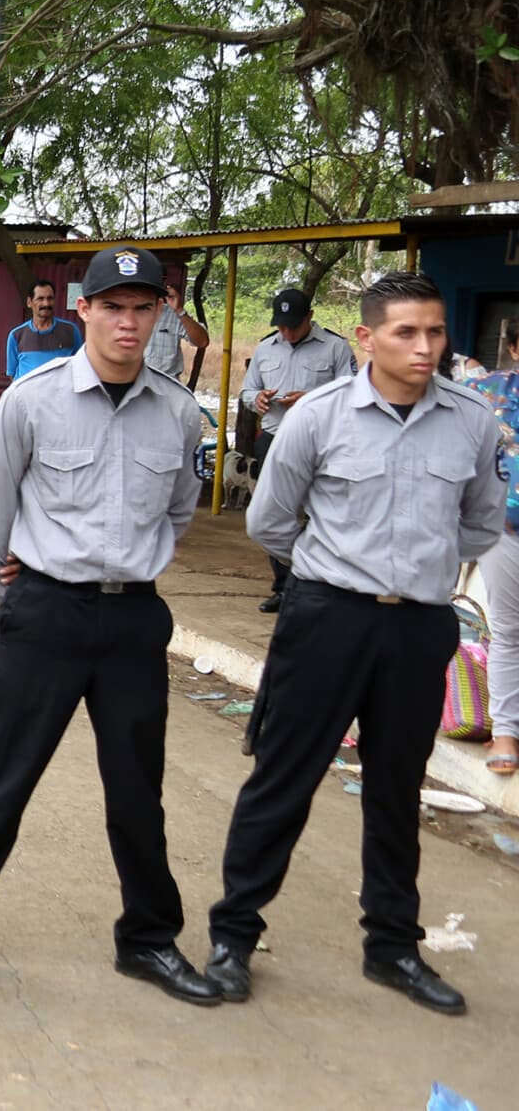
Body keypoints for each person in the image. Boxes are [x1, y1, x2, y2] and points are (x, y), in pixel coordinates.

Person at [0, 245, 220, 1005]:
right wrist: (15, 591)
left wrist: (130, 566)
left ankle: (148, 937)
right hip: (43, 611)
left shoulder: (178, 412)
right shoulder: (35, 399)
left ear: (159, 315)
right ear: (84, 311)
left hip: (134, 618)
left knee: (137, 789)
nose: (128, 323)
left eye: (144, 308)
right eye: (113, 307)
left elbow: (177, 511)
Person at [205, 272, 500, 1016]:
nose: (426, 346)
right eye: (407, 332)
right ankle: (233, 935)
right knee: (285, 776)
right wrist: (336, 569)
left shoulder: (470, 421)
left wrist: (412, 569)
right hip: (326, 619)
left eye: (435, 331)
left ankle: (393, 945)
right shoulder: (320, 417)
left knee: (397, 789)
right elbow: (270, 520)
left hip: (419, 626)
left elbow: (480, 525)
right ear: (366, 337)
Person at [239, 289, 355, 612]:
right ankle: (284, 588)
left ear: (310, 317)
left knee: (319, 511)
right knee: (274, 514)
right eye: (281, 326)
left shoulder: (335, 347)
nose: (286, 332)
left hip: (322, 444)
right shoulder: (265, 348)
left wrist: (312, 400)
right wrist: (257, 399)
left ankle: (319, 583)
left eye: (293, 325)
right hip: (274, 440)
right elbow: (247, 389)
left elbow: (353, 395)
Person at [470, 323, 519, 776]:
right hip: (505, 528)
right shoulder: (486, 393)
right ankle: (506, 731)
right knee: (508, 631)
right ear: (514, 348)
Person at [3, 280, 83, 382]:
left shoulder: (70, 331)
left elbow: (79, 366)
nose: (46, 303)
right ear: (29, 302)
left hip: (59, 396)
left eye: (50, 298)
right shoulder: (16, 336)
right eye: (40, 299)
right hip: (28, 396)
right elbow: (12, 374)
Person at [145, 281, 210, 381]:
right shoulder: (126, 315)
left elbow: (202, 341)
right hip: (134, 384)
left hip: (167, 385)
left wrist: (179, 310)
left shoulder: (174, 314)